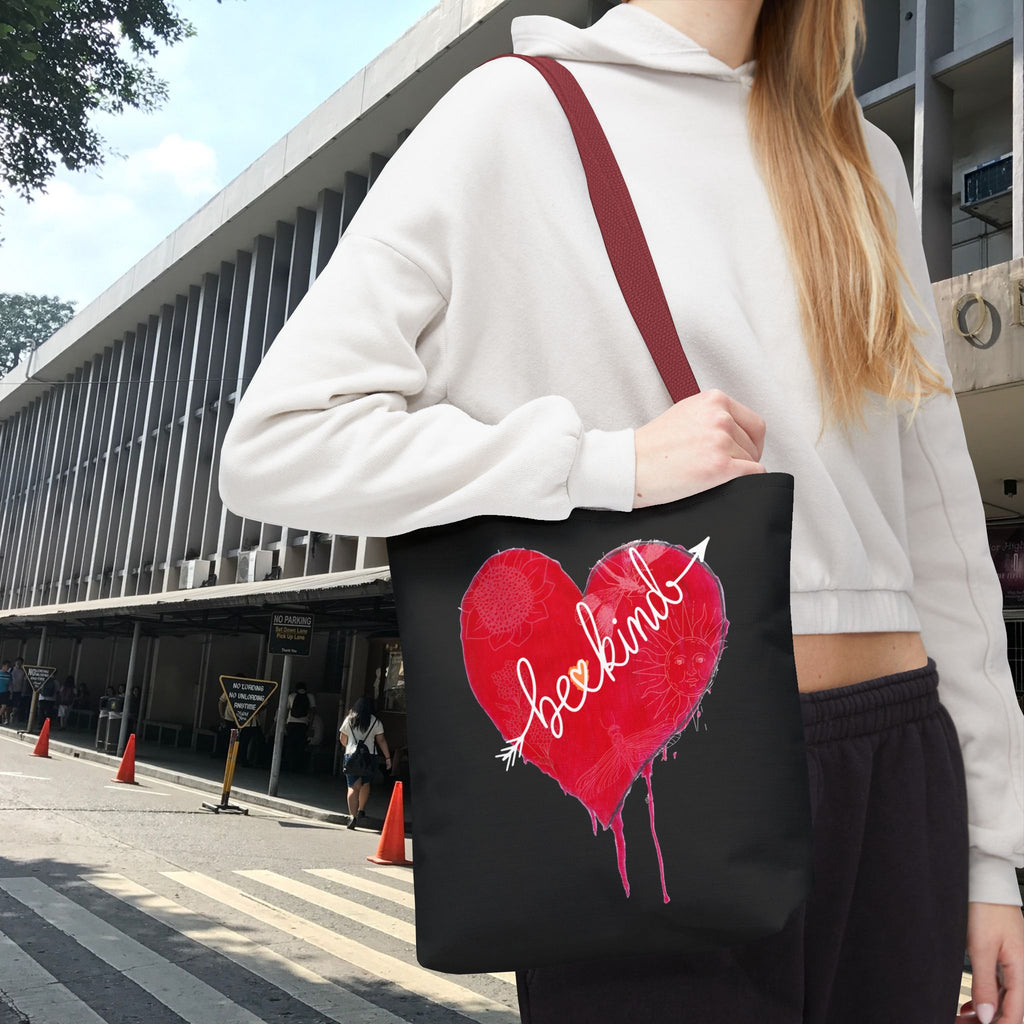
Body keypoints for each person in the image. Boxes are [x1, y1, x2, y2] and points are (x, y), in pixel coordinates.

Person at [218, 1, 1024, 1021]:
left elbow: (941, 519)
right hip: (662, 774)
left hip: (899, 769)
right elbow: (280, 441)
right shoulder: (517, 117)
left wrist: (993, 852)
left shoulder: (859, 155)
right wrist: (601, 464)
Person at [338, 697, 391, 830]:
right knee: (365, 783)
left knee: (352, 786)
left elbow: (342, 738)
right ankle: (361, 810)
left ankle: (352, 817)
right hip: (369, 757)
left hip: (351, 755)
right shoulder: (375, 721)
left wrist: (349, 748)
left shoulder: (349, 719)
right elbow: (381, 740)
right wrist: (388, 758)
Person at [283, 682, 315, 772]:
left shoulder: (291, 696)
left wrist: (285, 723)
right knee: (300, 746)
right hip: (303, 724)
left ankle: (289, 765)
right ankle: (298, 767)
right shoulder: (310, 696)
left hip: (291, 723)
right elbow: (313, 712)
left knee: (290, 745)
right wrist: (310, 726)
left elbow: (286, 710)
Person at [9, 658, 28, 727]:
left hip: (18, 691)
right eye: (17, 662)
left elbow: (24, 682)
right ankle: (6, 718)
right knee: (8, 705)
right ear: (15, 662)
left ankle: (12, 715)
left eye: (20, 663)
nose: (19, 664)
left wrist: (23, 691)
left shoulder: (23, 672)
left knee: (16, 705)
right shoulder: (10, 670)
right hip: (10, 690)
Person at [0, 661, 12, 726]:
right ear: (3, 666)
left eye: (9, 666)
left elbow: (10, 684)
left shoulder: (9, 675)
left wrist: (11, 692)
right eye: (7, 666)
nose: (8, 668)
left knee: (4, 706)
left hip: (5, 692)